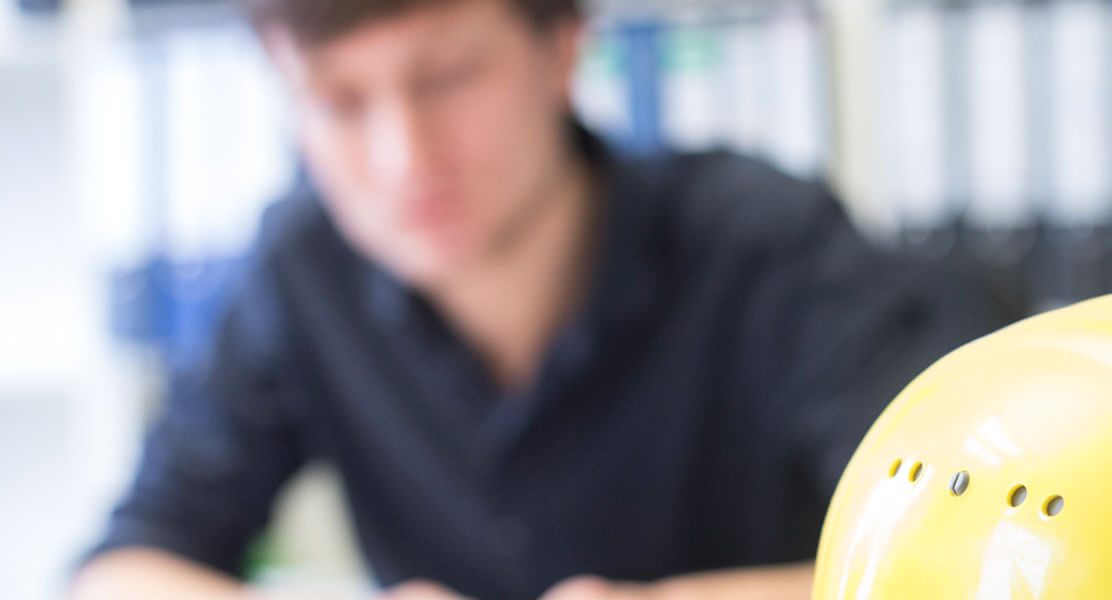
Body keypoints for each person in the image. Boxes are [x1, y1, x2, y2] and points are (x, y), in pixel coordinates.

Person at [67, 0, 1002, 597]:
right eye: (340, 102)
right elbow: (121, 569)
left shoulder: (766, 246)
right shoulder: (299, 269)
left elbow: (980, 547)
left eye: (447, 79)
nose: (402, 157)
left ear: (563, 49)